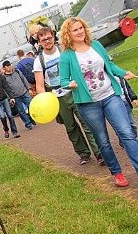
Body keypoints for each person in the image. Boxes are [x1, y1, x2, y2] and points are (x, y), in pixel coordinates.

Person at [59, 17, 138, 188]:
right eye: (75, 30)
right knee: (103, 141)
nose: (80, 32)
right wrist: (70, 84)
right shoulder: (67, 56)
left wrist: (123, 72)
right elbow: (62, 80)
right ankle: (117, 173)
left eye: (81, 28)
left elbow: (109, 66)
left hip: (110, 96)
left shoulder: (97, 46)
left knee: (126, 133)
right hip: (88, 104)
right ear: (68, 34)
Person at [34, 26, 104, 166]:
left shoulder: (65, 51)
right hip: (58, 98)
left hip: (75, 92)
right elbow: (40, 85)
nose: (47, 41)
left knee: (87, 122)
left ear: (54, 37)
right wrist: (45, 102)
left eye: (49, 38)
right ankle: (83, 153)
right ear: (39, 43)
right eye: (43, 40)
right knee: (71, 127)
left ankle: (99, 153)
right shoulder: (38, 61)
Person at [2, 60, 35, 130]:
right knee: (21, 111)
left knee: (31, 105)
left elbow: (24, 79)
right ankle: (28, 123)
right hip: (15, 96)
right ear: (4, 68)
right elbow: (6, 89)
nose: (9, 67)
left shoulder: (17, 71)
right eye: (7, 66)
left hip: (24, 92)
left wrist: (28, 88)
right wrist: (10, 98)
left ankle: (31, 117)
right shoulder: (4, 78)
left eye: (10, 65)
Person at [115, 76, 138, 147]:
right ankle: (123, 140)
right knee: (121, 125)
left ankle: (134, 139)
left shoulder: (120, 77)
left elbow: (128, 88)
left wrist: (134, 98)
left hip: (125, 102)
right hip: (115, 105)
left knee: (132, 123)